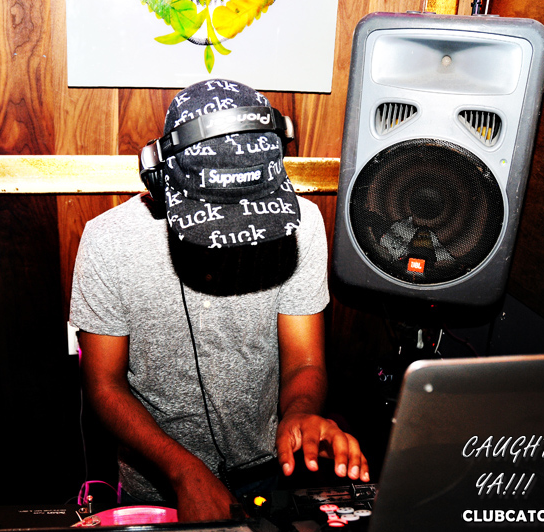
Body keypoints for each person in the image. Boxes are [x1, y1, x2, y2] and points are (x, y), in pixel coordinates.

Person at [69, 79, 368, 522]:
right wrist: (182, 471)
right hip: (154, 482)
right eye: (211, 216)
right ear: (159, 176)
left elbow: (305, 362)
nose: (229, 240)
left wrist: (299, 414)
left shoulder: (301, 226)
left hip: (268, 473)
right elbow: (103, 385)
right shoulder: (108, 241)